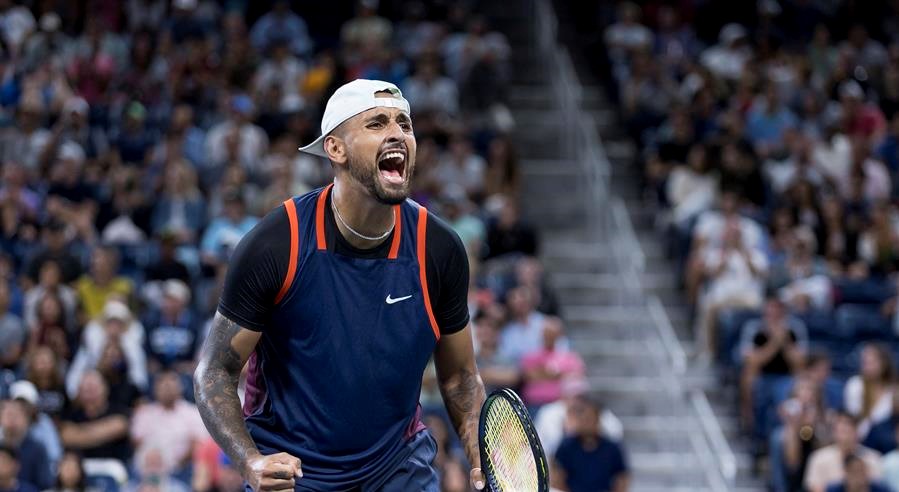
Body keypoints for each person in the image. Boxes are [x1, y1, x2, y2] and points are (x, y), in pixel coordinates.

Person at [194, 79, 487, 491]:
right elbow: (214, 372)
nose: (397, 134)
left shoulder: (438, 248)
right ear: (335, 148)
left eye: (405, 124)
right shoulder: (278, 243)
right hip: (293, 472)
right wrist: (249, 461)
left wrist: (479, 459)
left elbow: (459, 377)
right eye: (377, 123)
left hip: (396, 469)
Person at [130, 371, 206, 476]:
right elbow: (137, 441)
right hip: (148, 468)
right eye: (163, 385)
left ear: (180, 387)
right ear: (155, 389)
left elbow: (198, 443)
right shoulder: (145, 413)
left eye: (171, 385)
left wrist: (178, 464)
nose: (167, 389)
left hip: (182, 469)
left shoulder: (193, 412)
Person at [551, 393, 629, 492]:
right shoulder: (565, 447)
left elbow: (622, 478)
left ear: (598, 418)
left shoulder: (612, 448)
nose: (587, 423)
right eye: (584, 419)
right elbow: (557, 478)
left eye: (590, 419)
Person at [804, 412, 883, 492]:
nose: (846, 436)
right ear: (834, 432)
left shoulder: (873, 458)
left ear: (857, 431)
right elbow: (814, 488)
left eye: (849, 429)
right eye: (842, 430)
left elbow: (877, 487)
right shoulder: (819, 458)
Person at [0, 399, 50, 490]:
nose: (12, 420)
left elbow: (44, 483)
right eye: (8, 415)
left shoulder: (37, 449)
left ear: (26, 419)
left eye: (16, 415)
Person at [826, 453, 891, 492]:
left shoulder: (881, 489)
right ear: (846, 472)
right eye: (855, 471)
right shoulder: (833, 489)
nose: (859, 475)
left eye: (862, 470)